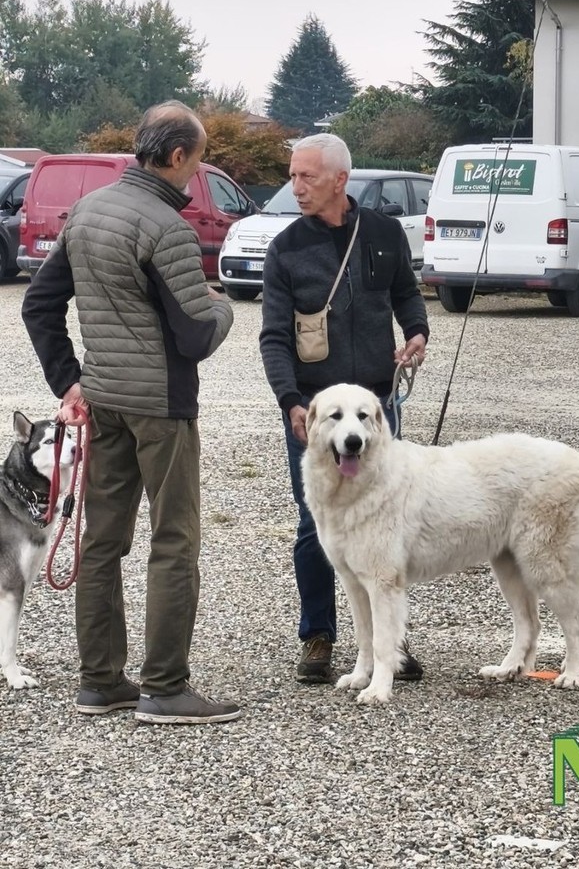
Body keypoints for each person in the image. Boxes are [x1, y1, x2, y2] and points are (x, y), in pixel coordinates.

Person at [22, 101, 242, 725]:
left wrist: (70, 382)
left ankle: (100, 682)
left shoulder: (88, 209)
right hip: (161, 408)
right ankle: (165, 688)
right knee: (174, 541)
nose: (196, 172)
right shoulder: (168, 229)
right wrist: (223, 306)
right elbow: (196, 336)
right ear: (176, 155)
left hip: (103, 401)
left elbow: (38, 305)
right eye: (197, 161)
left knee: (101, 541)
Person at [259, 133, 429, 684]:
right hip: (316, 413)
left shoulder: (383, 232)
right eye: (292, 175)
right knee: (316, 525)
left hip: (375, 407)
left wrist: (417, 331)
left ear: (339, 179)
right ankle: (318, 636)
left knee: (387, 524)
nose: (295, 186)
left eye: (306, 176)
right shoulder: (285, 248)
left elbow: (407, 293)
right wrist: (291, 402)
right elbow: (274, 336)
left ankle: (388, 646)